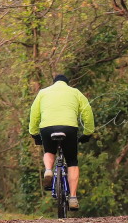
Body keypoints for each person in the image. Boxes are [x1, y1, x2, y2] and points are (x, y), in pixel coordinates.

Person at [28, 73, 95, 210]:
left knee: (49, 151)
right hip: (69, 128)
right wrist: (87, 132)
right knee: (71, 161)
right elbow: (87, 112)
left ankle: (48, 170)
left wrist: (34, 133)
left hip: (47, 128)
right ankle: (73, 198)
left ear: (54, 82)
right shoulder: (75, 92)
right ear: (67, 83)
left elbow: (34, 113)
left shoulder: (43, 92)